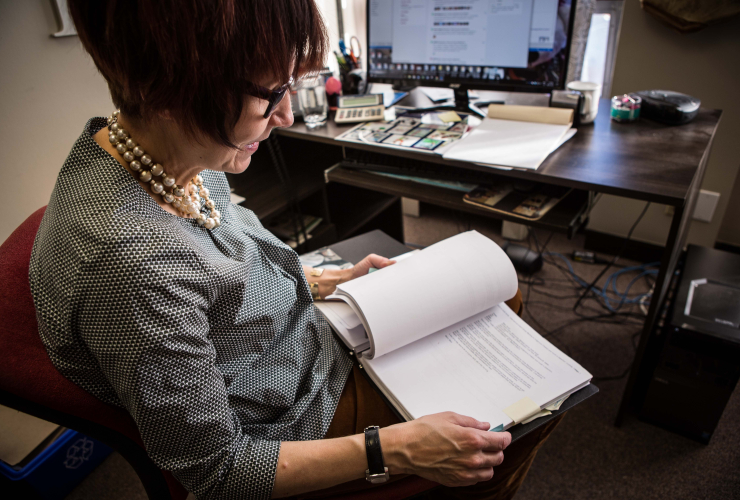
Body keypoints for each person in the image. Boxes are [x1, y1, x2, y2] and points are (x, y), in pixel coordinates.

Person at [29, 1, 561, 499]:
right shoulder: (131, 263)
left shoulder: (162, 148)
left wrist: (325, 282)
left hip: (301, 340)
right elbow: (215, 472)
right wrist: (394, 449)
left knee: (498, 307)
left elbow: (218, 282)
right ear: (170, 90)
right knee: (531, 405)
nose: (285, 115)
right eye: (271, 92)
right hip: (295, 413)